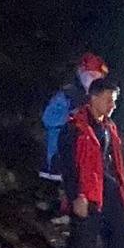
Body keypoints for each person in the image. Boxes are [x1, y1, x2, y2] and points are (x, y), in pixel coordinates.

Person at [59, 76, 124, 248]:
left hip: (109, 189)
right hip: (87, 191)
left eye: (114, 101)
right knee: (84, 239)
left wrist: (122, 190)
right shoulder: (75, 127)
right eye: (109, 100)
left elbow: (114, 161)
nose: (113, 105)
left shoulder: (109, 127)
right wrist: (76, 196)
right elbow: (69, 166)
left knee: (119, 235)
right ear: (94, 97)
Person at [41, 51, 108, 183]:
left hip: (80, 164)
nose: (94, 80)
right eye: (91, 75)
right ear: (81, 73)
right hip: (58, 164)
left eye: (98, 77)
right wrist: (72, 118)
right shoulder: (67, 95)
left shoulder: (93, 99)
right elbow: (48, 118)